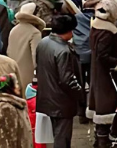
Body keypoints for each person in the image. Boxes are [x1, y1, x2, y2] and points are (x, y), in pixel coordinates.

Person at [34, 14, 82, 148]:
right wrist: (80, 93)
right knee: (62, 136)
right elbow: (67, 79)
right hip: (62, 100)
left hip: (46, 95)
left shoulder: (43, 43)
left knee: (57, 134)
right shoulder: (64, 51)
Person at [88, 0, 117, 148]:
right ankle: (102, 140)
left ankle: (99, 138)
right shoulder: (108, 31)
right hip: (107, 74)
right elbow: (103, 55)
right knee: (106, 107)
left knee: (100, 105)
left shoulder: (96, 26)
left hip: (97, 72)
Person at [0, 73, 33, 148]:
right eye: (16, 84)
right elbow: (5, 141)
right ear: (10, 87)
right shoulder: (6, 109)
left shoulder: (1, 104)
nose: (19, 87)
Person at [7, 4, 42, 93]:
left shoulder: (13, 30)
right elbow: (36, 57)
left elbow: (9, 51)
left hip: (13, 71)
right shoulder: (35, 32)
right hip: (28, 74)